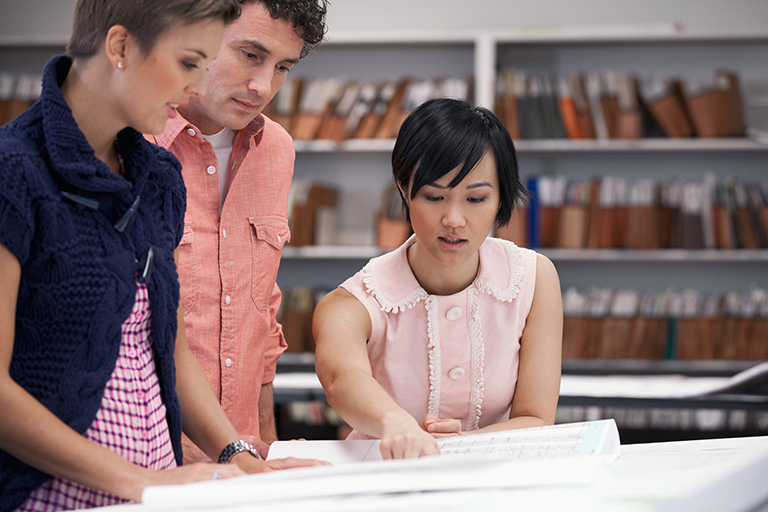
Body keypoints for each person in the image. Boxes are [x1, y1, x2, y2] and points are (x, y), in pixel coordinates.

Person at [0, 1, 322, 510]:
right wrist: (138, 481)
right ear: (122, 47)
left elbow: (169, 344)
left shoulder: (156, 176)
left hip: (168, 488)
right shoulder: (13, 171)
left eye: (282, 67)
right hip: (59, 494)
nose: (192, 89)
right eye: (190, 62)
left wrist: (240, 453)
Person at [313, 97, 564, 460]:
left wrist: (456, 446)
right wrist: (394, 422)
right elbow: (340, 379)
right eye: (434, 196)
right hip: (386, 483)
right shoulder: (356, 300)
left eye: (476, 199)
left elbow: (537, 418)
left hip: (493, 481)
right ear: (404, 189)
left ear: (500, 199)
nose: (454, 219)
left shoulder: (533, 278)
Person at [145, 0, 328, 462]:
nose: (263, 86)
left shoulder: (277, 150)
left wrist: (264, 448)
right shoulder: (133, 143)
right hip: (152, 462)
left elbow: (261, 318)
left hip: (244, 461)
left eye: (282, 66)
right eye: (250, 54)